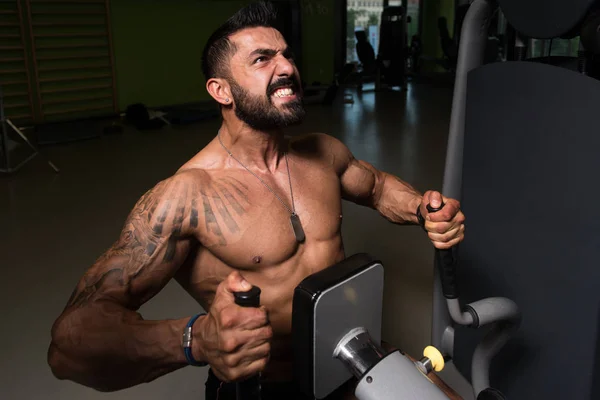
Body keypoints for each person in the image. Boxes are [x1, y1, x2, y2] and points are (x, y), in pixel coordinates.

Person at [47, 2, 465, 399]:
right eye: (262, 59)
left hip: (353, 359)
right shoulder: (187, 196)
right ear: (221, 91)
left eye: (286, 56)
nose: (288, 68)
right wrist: (195, 339)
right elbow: (69, 346)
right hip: (265, 388)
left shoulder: (323, 152)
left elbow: (375, 186)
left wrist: (421, 209)